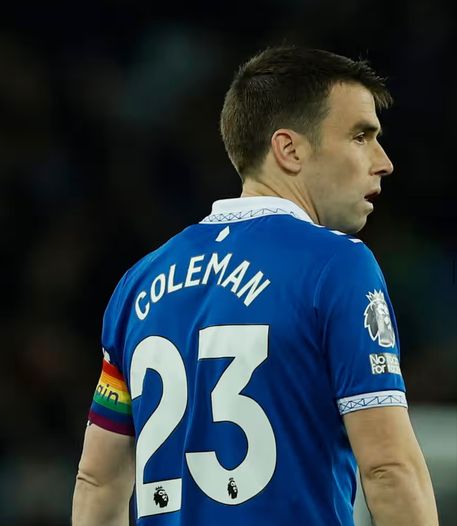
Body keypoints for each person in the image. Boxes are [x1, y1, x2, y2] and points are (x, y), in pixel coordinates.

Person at [72, 45, 439, 526]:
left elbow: (98, 481)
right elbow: (389, 468)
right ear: (289, 149)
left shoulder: (139, 283)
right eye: (360, 136)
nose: (383, 160)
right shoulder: (338, 266)